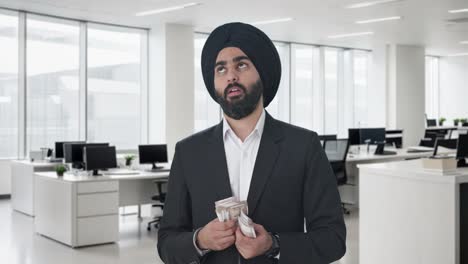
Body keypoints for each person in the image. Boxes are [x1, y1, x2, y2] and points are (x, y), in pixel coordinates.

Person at [157, 22, 346, 264]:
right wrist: (200, 240)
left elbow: (333, 239)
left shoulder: (303, 146)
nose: (231, 76)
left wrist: (273, 244)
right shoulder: (189, 152)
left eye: (241, 65)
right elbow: (166, 244)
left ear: (262, 73)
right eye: (221, 69)